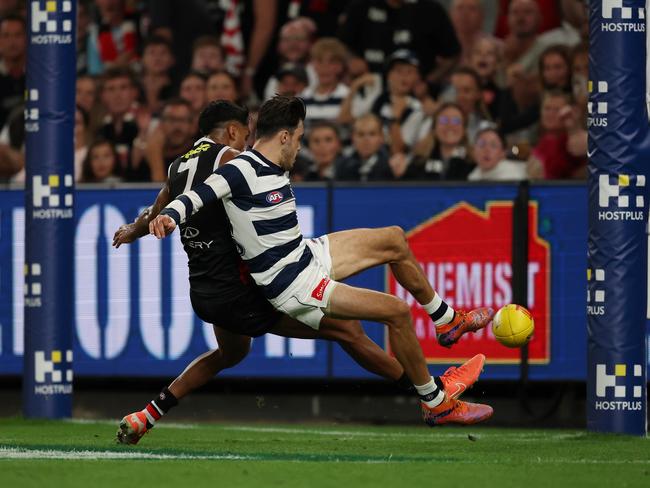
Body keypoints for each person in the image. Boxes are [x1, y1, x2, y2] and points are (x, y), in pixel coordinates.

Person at [114, 100, 489, 443]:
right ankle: (435, 397)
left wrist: (137, 228)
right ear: (236, 132)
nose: (249, 139)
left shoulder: (180, 164)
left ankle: (447, 321)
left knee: (393, 240)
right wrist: (169, 216)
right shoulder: (235, 160)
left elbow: (165, 197)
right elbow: (196, 196)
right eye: (298, 138)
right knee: (367, 323)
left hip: (239, 277)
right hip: (259, 285)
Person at [335, 113, 394, 182]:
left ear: (381, 138)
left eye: (372, 134)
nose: (366, 140)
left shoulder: (391, 166)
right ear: (353, 138)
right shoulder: (342, 167)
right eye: (361, 134)